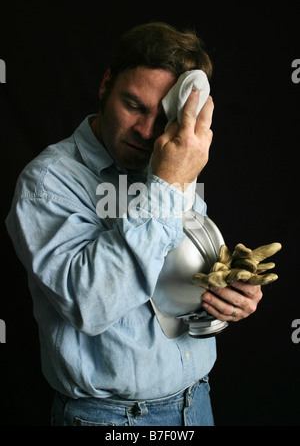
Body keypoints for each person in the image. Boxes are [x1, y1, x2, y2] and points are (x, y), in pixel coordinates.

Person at [6, 22, 262, 426]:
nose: (146, 132)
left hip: (196, 402)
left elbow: (182, 279)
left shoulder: (169, 163)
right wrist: (169, 183)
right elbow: (91, 303)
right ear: (107, 84)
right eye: (134, 105)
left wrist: (226, 300)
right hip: (107, 419)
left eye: (162, 118)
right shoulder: (47, 183)